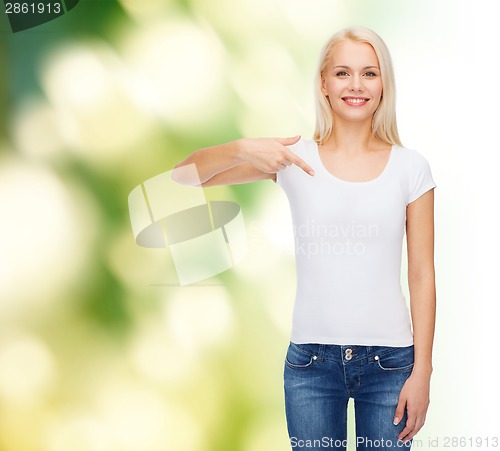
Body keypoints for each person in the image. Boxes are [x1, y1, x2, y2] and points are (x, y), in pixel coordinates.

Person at [173, 26, 436, 451]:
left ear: (385, 83)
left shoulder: (412, 168)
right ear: (323, 84)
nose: (355, 85)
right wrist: (243, 148)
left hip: (391, 366)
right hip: (312, 366)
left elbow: (422, 273)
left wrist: (422, 371)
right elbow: (183, 177)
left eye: (369, 73)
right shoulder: (293, 159)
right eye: (342, 73)